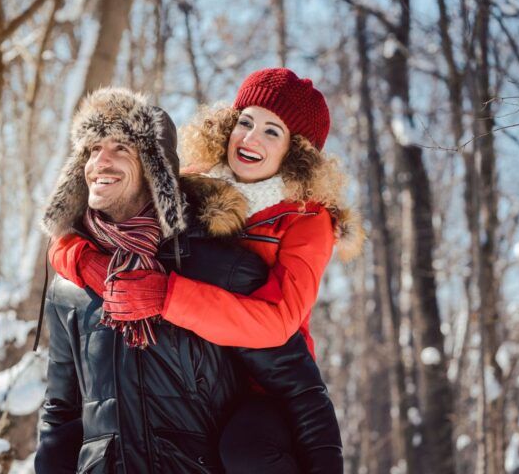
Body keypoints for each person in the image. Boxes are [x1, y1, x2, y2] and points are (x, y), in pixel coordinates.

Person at [49, 69, 363, 472]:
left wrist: (166, 296)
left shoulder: (305, 219)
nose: (250, 138)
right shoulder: (195, 188)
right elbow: (83, 225)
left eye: (272, 132)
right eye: (245, 122)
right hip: (204, 368)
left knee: (247, 450)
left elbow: (280, 321)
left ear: (295, 152)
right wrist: (85, 260)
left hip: (265, 383)